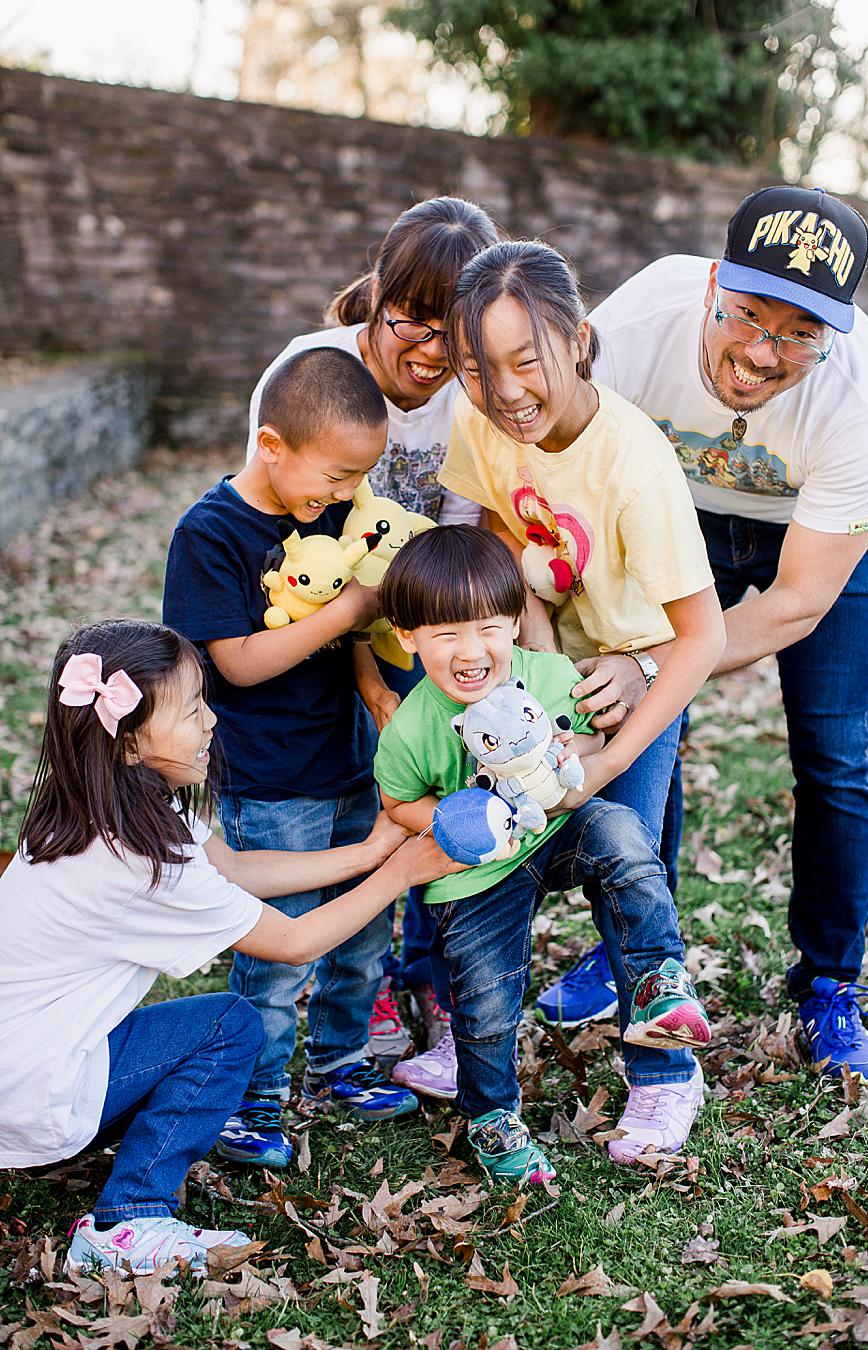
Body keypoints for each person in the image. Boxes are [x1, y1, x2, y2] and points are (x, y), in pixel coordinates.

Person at [552, 185, 868, 1084]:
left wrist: (645, 658)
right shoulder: (638, 320)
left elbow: (793, 606)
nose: (760, 350)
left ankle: (830, 981)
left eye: (797, 334)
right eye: (745, 314)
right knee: (648, 728)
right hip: (676, 514)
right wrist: (627, 660)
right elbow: (571, 466)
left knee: (832, 752)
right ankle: (634, 950)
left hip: (813, 539)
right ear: (712, 283)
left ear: (837, 332)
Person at [0, 619, 453, 1276]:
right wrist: (401, 873)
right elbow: (294, 943)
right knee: (228, 1025)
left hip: (22, 1061)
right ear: (129, 743)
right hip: (30, 1087)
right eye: (192, 710)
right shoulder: (134, 858)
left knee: (186, 1028)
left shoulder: (101, 799)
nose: (212, 721)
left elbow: (233, 870)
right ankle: (128, 1222)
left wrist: (368, 851)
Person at [406, 240, 725, 1153]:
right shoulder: (483, 424)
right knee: (481, 853)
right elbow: (501, 521)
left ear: (579, 341)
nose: (505, 390)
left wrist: (612, 744)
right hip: (532, 677)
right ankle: (475, 1047)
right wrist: (532, 646)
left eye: (527, 360)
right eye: (477, 369)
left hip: (634, 684)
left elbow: (702, 636)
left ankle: (666, 1075)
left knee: (626, 874)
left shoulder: (636, 463)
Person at [247, 195, 501, 1065]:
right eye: (412, 322)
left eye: (454, 337)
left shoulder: (472, 401)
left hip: (414, 633)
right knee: (327, 808)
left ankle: (393, 977)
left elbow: (461, 534)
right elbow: (292, 525)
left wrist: (430, 667)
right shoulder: (310, 369)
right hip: (312, 627)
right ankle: (295, 1000)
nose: (432, 354)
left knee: (406, 806)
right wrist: (363, 670)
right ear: (379, 291)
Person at [375, 526, 712, 1180]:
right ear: (408, 637)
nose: (471, 652)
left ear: (514, 621)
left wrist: (564, 761)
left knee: (620, 833)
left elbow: (593, 743)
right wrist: (453, 818)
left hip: (556, 831)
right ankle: (493, 1118)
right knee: (485, 1000)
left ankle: (656, 983)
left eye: (487, 629)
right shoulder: (413, 726)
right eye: (445, 635)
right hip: (475, 873)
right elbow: (397, 804)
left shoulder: (552, 677)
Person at [163, 347, 419, 1170]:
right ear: (272, 444)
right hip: (270, 779)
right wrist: (353, 605)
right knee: (278, 948)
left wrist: (374, 685)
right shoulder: (210, 534)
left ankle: (340, 1063)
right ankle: (253, 1098)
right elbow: (234, 661)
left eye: (359, 482)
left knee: (363, 933)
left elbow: (348, 632)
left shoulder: (326, 517)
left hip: (349, 762)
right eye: (338, 477)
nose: (347, 497)